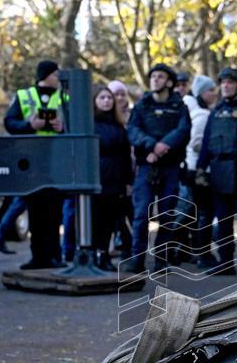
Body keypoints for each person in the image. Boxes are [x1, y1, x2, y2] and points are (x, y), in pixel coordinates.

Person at [124, 63, 191, 273]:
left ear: (169, 82)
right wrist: (152, 145)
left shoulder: (179, 106)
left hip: (170, 167)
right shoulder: (142, 104)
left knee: (167, 214)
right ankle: (137, 259)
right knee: (141, 214)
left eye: (160, 77)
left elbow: (183, 131)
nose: (155, 80)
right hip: (146, 167)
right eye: (153, 76)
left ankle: (161, 259)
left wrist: (163, 147)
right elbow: (132, 130)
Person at [4, 60, 69, 269]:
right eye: (55, 74)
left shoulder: (65, 96)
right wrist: (29, 125)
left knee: (54, 212)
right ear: (45, 75)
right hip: (32, 163)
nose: (58, 78)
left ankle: (54, 256)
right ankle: (38, 257)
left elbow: (79, 124)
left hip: (56, 161)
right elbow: (9, 122)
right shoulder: (24, 96)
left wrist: (63, 127)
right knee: (35, 211)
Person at [195, 67, 237, 277]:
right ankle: (225, 262)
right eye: (223, 82)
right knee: (223, 220)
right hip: (218, 171)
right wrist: (201, 168)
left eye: (230, 82)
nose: (225, 86)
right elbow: (206, 143)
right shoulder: (216, 111)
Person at [88, 86, 133, 270]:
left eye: (109, 97)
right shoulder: (89, 124)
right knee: (94, 219)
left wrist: (128, 181)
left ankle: (104, 255)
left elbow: (125, 155)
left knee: (110, 220)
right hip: (97, 177)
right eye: (102, 97)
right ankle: (92, 254)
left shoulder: (119, 126)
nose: (106, 101)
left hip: (116, 178)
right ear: (95, 101)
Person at [180, 75, 218, 268]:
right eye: (211, 90)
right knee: (203, 213)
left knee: (193, 213)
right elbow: (197, 143)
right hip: (197, 169)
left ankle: (191, 251)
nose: (214, 93)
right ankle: (202, 253)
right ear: (202, 92)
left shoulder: (193, 110)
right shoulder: (201, 115)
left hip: (190, 167)